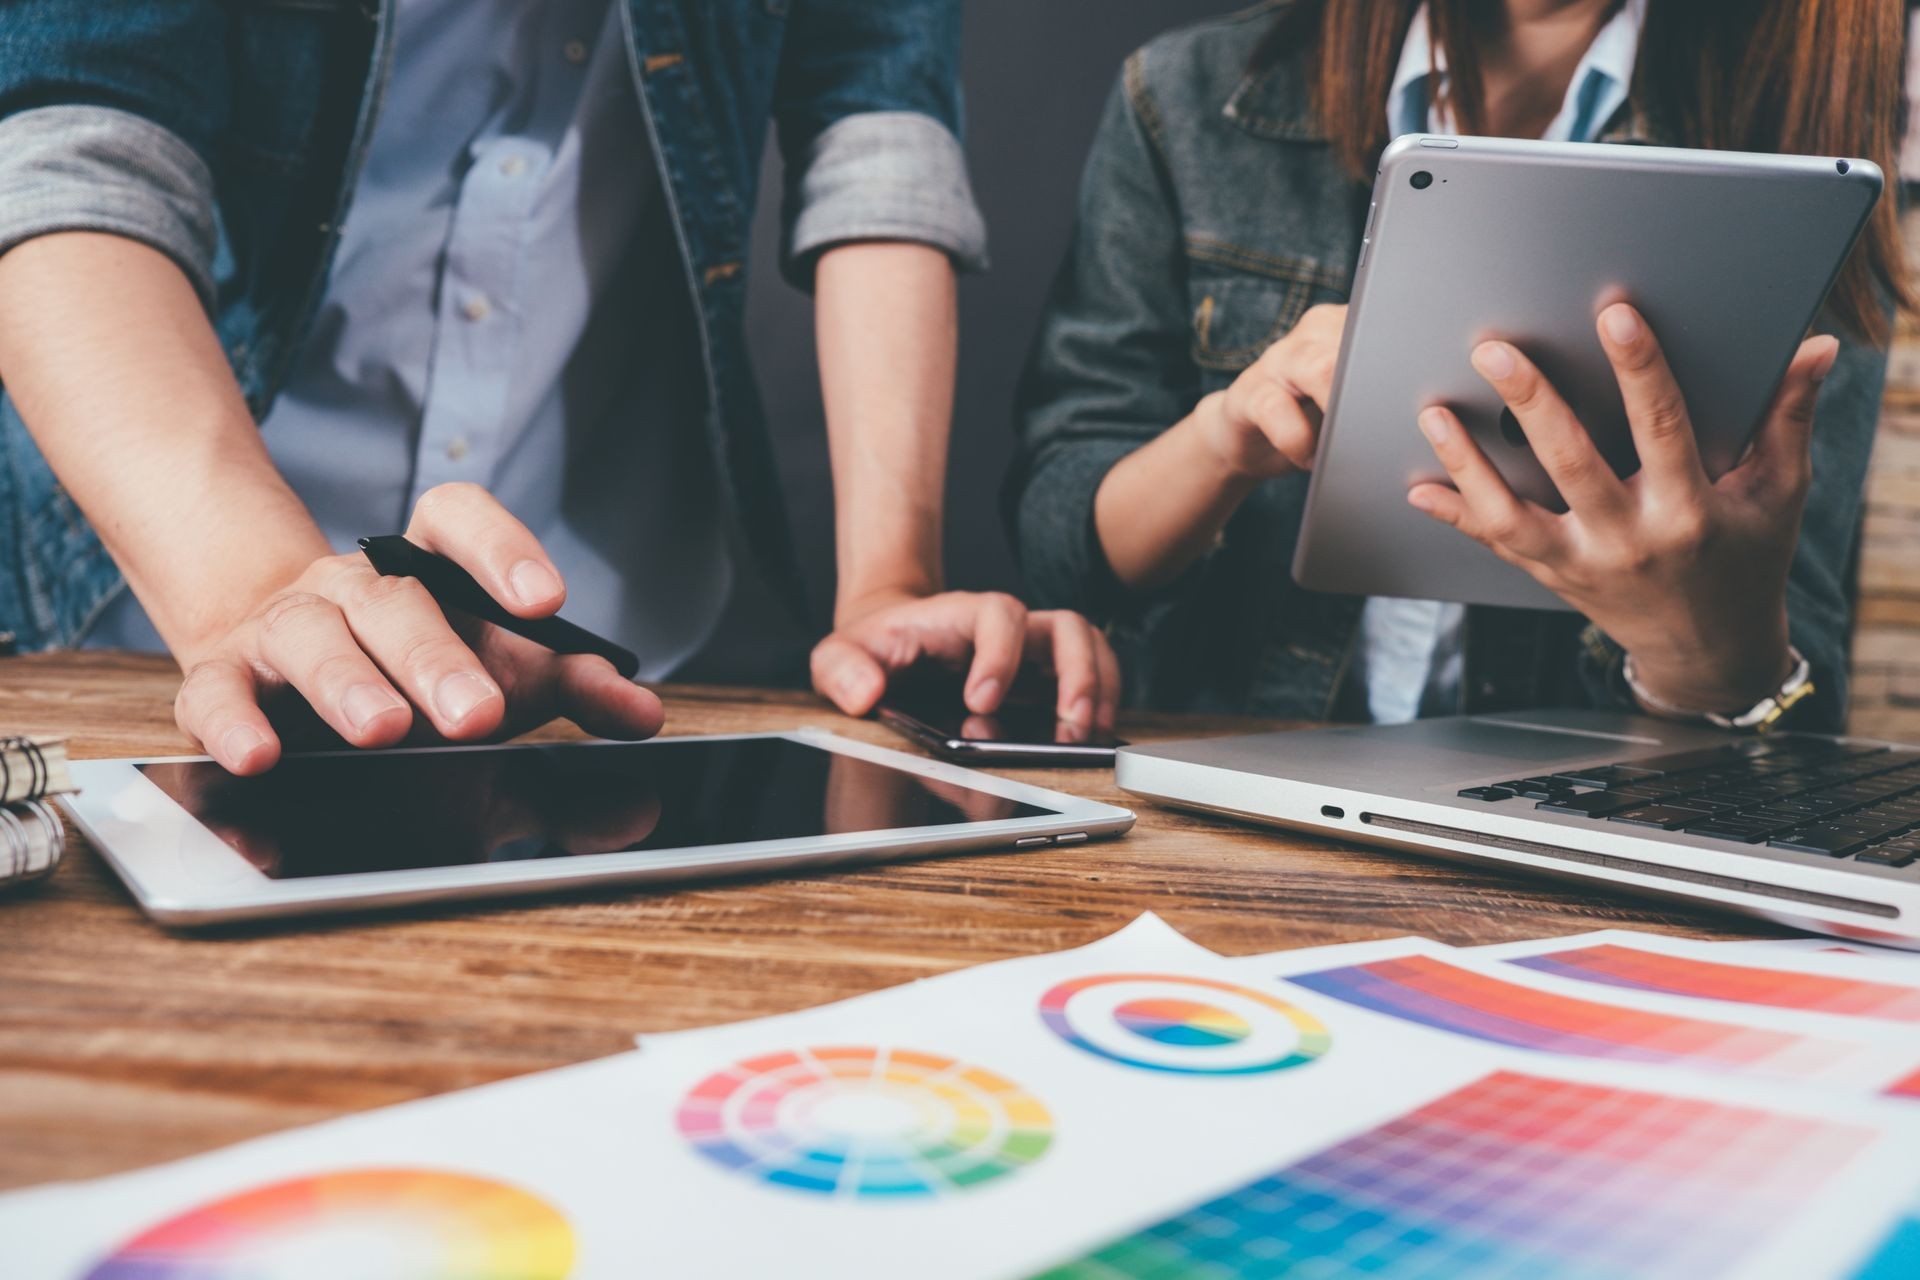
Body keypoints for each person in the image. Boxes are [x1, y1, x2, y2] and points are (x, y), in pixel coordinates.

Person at [0, 0, 1119, 776]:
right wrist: (254, 588)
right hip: (144, 619)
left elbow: (878, 136)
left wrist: (885, 584)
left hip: (617, 657)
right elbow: (68, 148)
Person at [1008, 0, 1911, 732]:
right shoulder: (1189, 96)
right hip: (1221, 789)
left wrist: (1697, 653)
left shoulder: (1790, 169)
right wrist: (1223, 440)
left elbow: (1795, 696)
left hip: (1561, 838)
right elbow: (1063, 558)